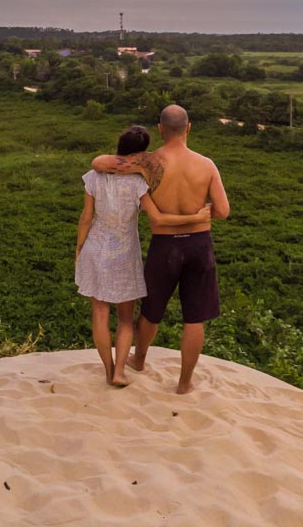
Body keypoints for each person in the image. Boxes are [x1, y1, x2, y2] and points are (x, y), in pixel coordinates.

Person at [91, 104, 230, 394]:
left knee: (151, 311)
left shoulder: (148, 162)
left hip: (165, 245)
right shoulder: (206, 165)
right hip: (198, 244)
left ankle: (139, 360)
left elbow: (99, 162)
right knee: (194, 317)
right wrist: (200, 214)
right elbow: (223, 211)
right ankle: (183, 384)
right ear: (189, 128)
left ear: (160, 130)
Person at [75, 124, 208, 387]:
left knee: (99, 314)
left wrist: (79, 248)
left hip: (96, 247)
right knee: (126, 319)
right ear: (141, 152)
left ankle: (108, 370)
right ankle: (120, 372)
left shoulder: (93, 176)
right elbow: (157, 218)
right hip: (124, 252)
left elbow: (86, 217)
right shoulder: (138, 181)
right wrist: (196, 217)